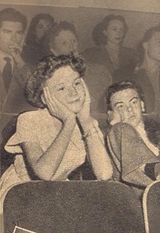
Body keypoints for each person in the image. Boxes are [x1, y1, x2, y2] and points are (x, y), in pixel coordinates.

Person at [0, 54, 113, 220]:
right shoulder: (29, 120)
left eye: (76, 83)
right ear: (45, 97)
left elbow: (104, 173)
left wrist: (85, 120)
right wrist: (68, 122)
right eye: (61, 88)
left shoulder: (86, 122)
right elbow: (45, 173)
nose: (73, 92)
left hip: (56, 197)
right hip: (20, 198)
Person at [47, 21, 112, 114]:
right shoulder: (51, 78)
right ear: (53, 51)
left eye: (73, 41)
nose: (71, 46)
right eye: (64, 43)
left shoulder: (100, 71)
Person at [0, 8, 33, 175]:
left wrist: (20, 61)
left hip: (12, 142)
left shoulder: (25, 65)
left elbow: (36, 92)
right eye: (7, 32)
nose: (14, 38)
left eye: (19, 33)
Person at [82, 14, 138, 80]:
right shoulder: (91, 53)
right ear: (105, 32)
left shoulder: (132, 54)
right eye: (114, 29)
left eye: (121, 29)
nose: (119, 33)